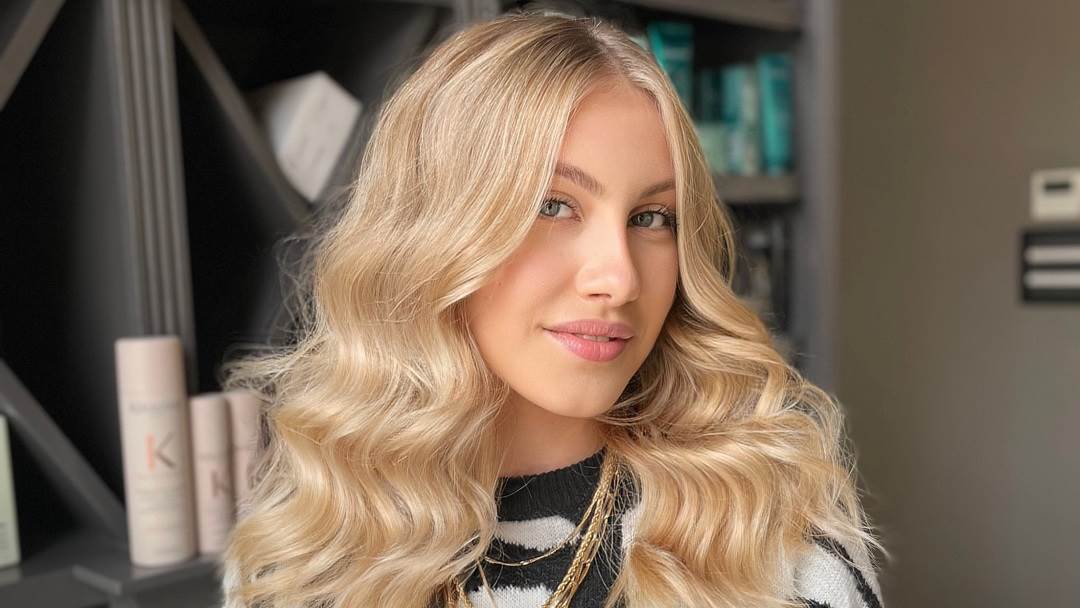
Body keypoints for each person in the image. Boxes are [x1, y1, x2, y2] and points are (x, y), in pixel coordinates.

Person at [218, 10, 885, 608]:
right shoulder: (301, 550)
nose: (618, 278)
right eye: (553, 205)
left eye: (652, 217)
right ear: (432, 233)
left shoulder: (770, 545)